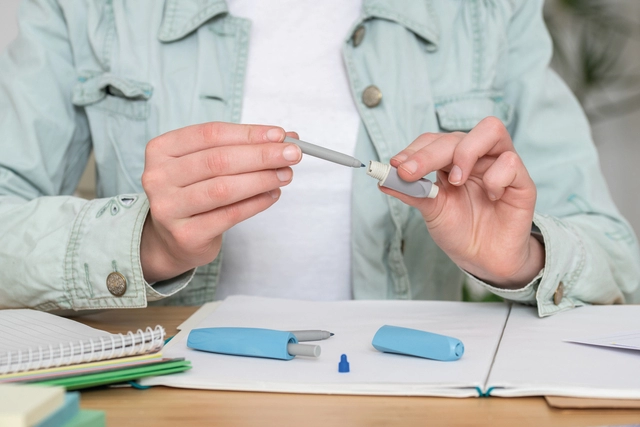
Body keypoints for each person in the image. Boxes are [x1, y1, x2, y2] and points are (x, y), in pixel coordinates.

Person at [0, 0, 638, 316]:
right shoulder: (88, 9)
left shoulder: (485, 12)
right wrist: (145, 244)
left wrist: (519, 257)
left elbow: (618, 260)